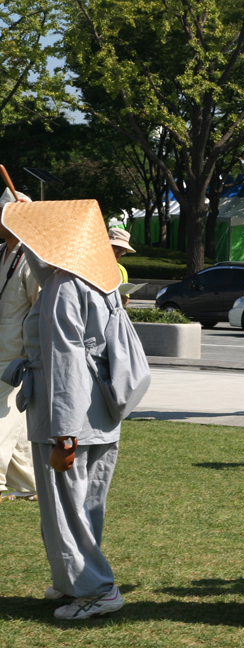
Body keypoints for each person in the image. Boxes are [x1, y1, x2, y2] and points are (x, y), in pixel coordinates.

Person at [1, 198, 130, 619]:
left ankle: (95, 589)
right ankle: (72, 580)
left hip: (70, 417)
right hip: (101, 413)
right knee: (84, 505)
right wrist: (27, 219)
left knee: (66, 508)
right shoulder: (98, 280)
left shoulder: (62, 290)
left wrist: (64, 433)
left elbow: (65, 366)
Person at [0, 188, 39, 503]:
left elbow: (40, 312)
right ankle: (29, 484)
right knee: (14, 421)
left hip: (15, 356)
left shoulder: (32, 260)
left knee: (2, 415)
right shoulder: (3, 252)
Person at [108, 227, 135, 306]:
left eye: (123, 251)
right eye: (117, 248)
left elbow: (125, 300)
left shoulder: (121, 270)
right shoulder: (92, 266)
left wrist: (124, 301)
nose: (119, 254)